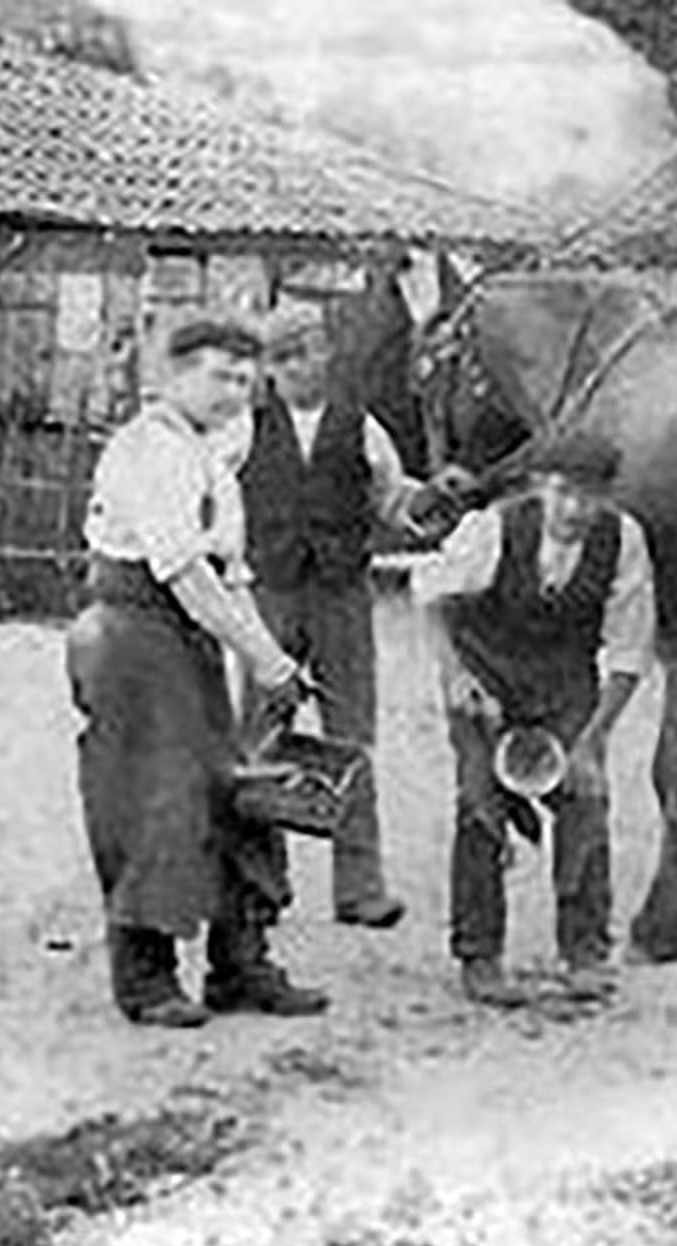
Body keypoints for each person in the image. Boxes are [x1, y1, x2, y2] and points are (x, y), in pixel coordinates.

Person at [65, 314, 330, 1030]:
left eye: (246, 379)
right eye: (219, 375)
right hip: (130, 634)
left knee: (235, 789)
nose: (235, 391)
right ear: (173, 376)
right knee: (153, 796)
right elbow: (183, 573)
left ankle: (239, 965)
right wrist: (264, 656)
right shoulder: (148, 448)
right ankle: (145, 979)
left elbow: (229, 575)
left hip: (191, 638)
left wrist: (276, 665)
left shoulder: (213, 454)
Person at [411, 432, 656, 1008]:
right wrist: (456, 676)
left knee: (586, 801)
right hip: (486, 680)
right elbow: (429, 592)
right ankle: (480, 955)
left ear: (607, 498)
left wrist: (592, 742)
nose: (575, 510)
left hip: (564, 686)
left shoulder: (624, 541)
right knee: (480, 804)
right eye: (564, 493)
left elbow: (628, 651)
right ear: (540, 486)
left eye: (590, 497)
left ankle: (585, 953)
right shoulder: (493, 528)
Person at [233, 303, 424, 930]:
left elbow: (394, 499)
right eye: (281, 358)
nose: (296, 367)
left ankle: (360, 888)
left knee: (351, 736)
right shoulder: (243, 428)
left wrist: (429, 502)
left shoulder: (361, 426)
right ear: (267, 368)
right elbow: (215, 498)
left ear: (327, 353)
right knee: (260, 734)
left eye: (306, 352)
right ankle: (259, 884)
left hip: (342, 594)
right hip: (270, 591)